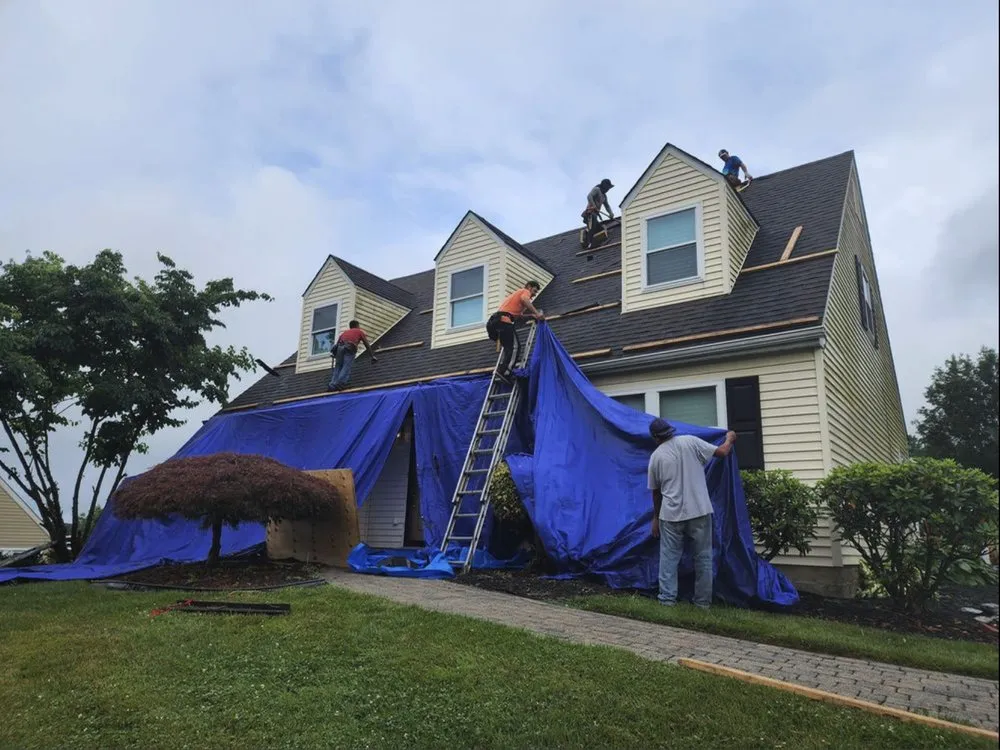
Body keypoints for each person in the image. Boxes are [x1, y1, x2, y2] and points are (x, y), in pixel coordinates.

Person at [646, 417, 737, 609]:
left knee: (669, 559)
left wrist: (655, 518)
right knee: (703, 558)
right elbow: (722, 452)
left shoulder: (656, 457)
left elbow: (656, 492)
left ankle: (667, 600)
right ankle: (702, 604)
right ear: (671, 430)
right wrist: (729, 438)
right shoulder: (690, 441)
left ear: (655, 438)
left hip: (671, 515)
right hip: (699, 510)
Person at [486, 281, 544, 384]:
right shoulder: (524, 291)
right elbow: (525, 299)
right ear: (529, 287)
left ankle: (503, 368)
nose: (534, 294)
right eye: (534, 291)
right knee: (515, 347)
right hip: (503, 321)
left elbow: (518, 317)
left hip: (494, 323)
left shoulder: (515, 300)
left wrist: (531, 316)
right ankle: (506, 371)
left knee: (508, 347)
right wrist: (537, 313)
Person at [328, 320, 376, 391]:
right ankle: (340, 383)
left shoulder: (344, 333)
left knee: (338, 366)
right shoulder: (359, 331)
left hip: (340, 347)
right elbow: (367, 344)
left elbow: (337, 345)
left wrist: (335, 355)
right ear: (357, 326)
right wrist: (372, 356)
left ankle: (332, 385)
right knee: (346, 366)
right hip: (349, 347)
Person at [581, 178, 614, 249]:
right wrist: (594, 206)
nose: (608, 190)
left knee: (600, 229)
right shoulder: (597, 189)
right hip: (590, 213)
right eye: (607, 188)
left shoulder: (604, 196)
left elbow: (607, 206)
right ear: (604, 186)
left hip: (595, 214)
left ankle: (591, 239)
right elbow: (589, 196)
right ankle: (589, 244)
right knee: (592, 226)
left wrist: (611, 213)